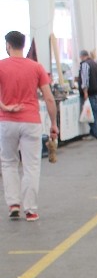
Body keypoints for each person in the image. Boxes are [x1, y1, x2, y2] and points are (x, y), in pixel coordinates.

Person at [0, 30, 59, 221]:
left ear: (8, 45)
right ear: (23, 45)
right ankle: (30, 209)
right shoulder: (36, 67)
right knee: (31, 165)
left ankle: (13, 204)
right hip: (31, 121)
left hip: (7, 121)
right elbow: (49, 99)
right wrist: (54, 124)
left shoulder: (1, 66)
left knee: (9, 163)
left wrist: (5, 106)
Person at [79, 50, 97, 137]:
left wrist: (85, 92)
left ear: (81, 56)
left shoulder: (85, 64)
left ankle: (94, 132)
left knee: (90, 113)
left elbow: (85, 79)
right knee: (95, 112)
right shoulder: (95, 64)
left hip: (90, 93)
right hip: (96, 91)